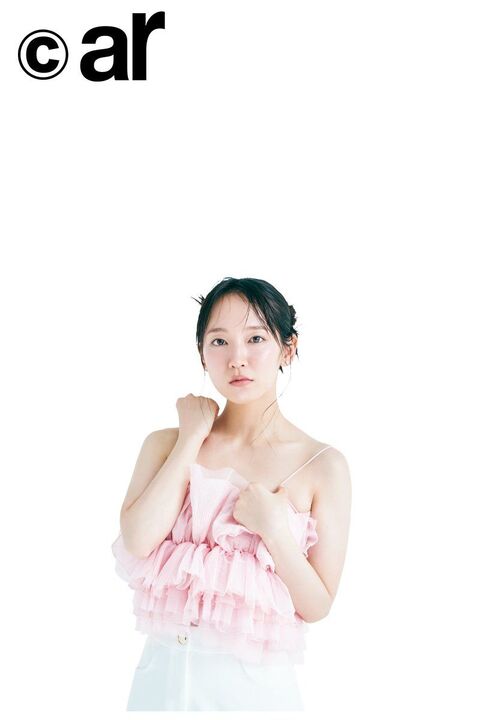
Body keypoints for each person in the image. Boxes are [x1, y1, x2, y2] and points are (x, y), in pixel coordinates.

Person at [111, 276, 352, 711]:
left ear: (288, 348)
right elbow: (138, 540)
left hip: (254, 699)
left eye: (256, 338)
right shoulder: (165, 444)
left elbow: (317, 605)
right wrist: (190, 438)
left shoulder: (322, 465)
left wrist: (275, 531)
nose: (237, 358)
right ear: (202, 354)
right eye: (219, 341)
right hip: (158, 694)